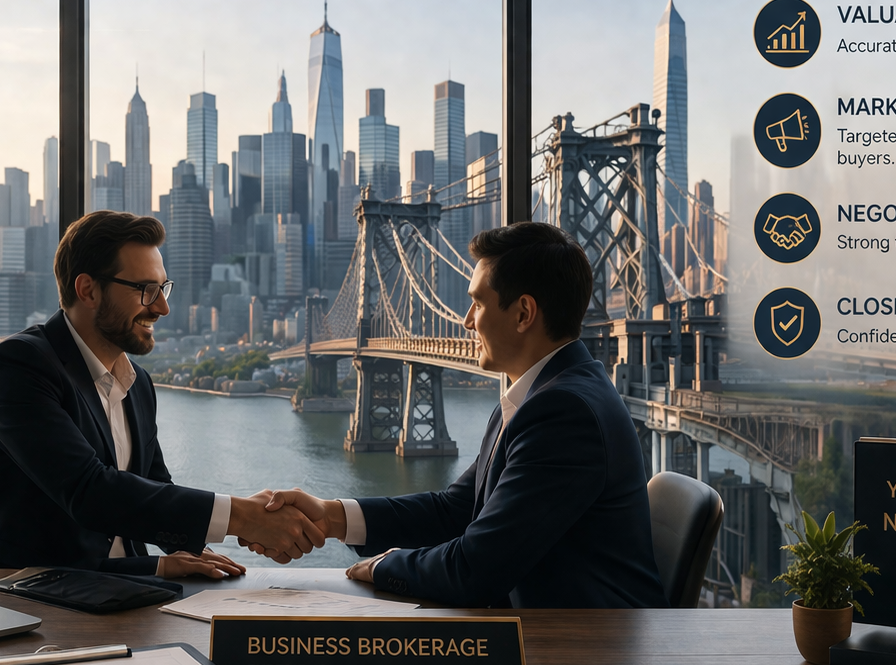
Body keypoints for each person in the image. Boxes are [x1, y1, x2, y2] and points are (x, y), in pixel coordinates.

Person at [247, 221, 663, 608]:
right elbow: (456, 510)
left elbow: (475, 570)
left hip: (585, 657)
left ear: (523, 314)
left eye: (477, 304)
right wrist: (332, 515)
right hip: (551, 637)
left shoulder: (564, 413)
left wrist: (383, 565)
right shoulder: (544, 394)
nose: (465, 322)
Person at [0, 210, 324, 578]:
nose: (162, 307)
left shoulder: (137, 384)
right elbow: (90, 493)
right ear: (88, 290)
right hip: (10, 598)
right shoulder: (19, 365)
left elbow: (155, 490)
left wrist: (192, 547)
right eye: (146, 290)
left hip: (119, 592)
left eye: (163, 288)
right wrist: (240, 517)